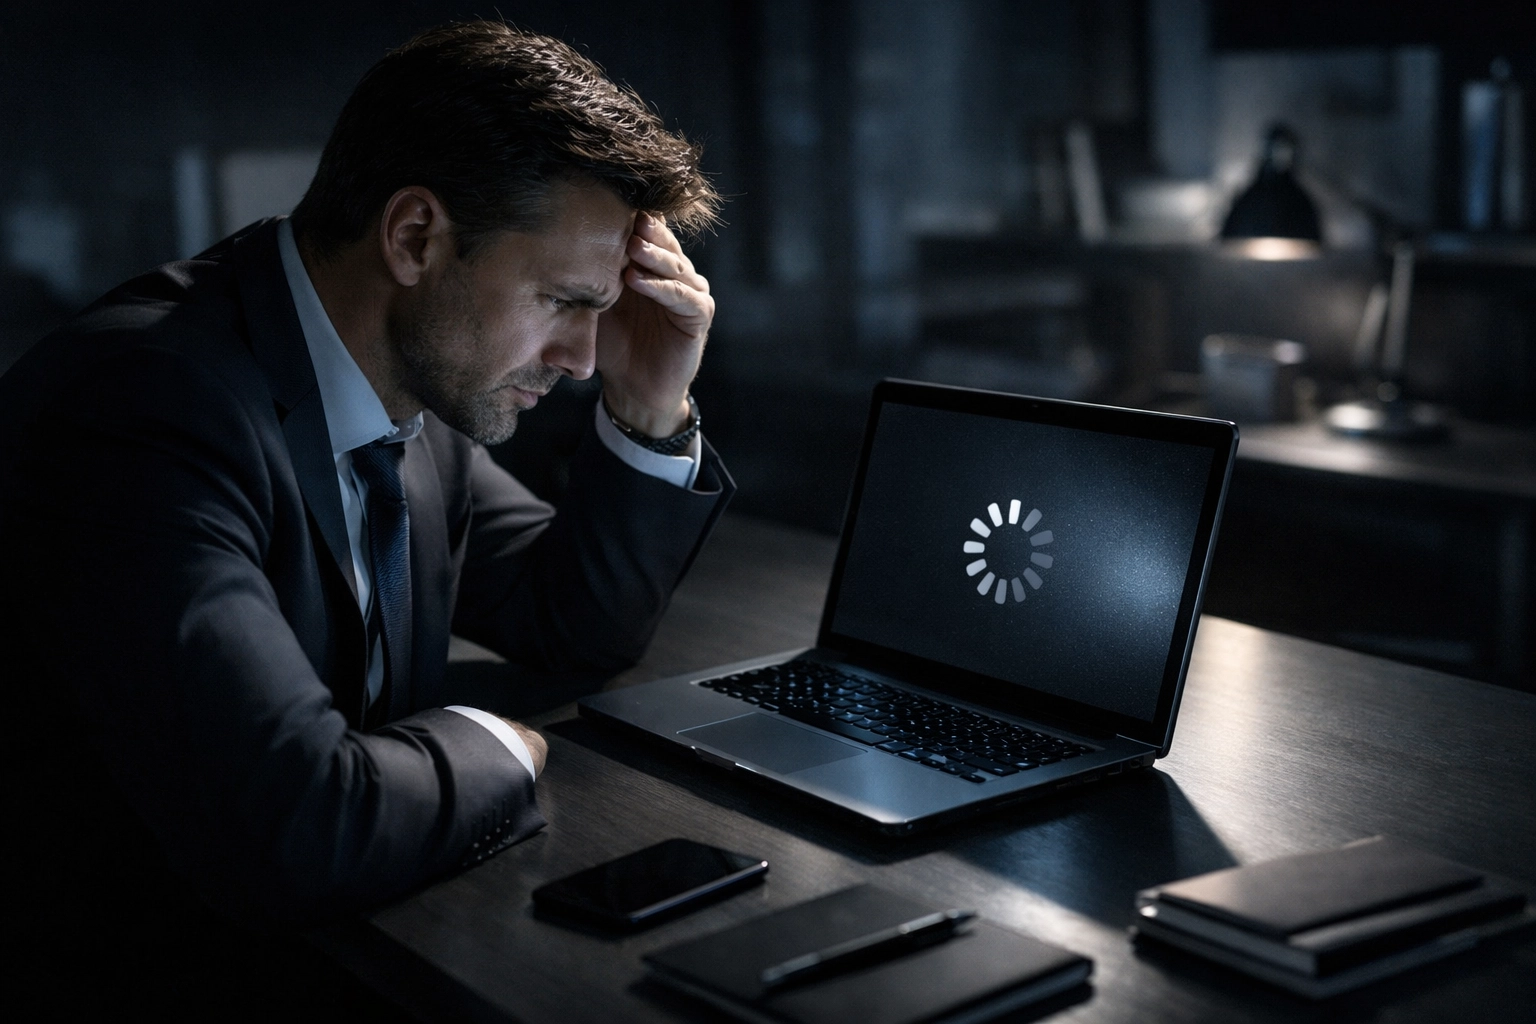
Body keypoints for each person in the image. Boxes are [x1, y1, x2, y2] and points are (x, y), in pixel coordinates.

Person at [0, 20, 732, 1012]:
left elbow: (574, 619)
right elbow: (294, 828)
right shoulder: (143, 409)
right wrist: (498, 743)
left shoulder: (407, 385)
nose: (582, 358)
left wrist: (648, 408)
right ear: (416, 237)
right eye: (565, 300)